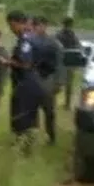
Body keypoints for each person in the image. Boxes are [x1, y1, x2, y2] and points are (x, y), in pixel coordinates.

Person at [2, 11, 46, 152]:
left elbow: (26, 64)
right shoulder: (32, 38)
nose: (11, 29)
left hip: (26, 83)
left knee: (22, 116)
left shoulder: (26, 40)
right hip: (30, 82)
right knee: (28, 116)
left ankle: (24, 148)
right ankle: (25, 146)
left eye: (12, 25)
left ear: (18, 23)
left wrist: (8, 62)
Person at [31, 16, 63, 145]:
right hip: (33, 78)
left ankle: (51, 136)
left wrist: (59, 82)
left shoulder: (54, 43)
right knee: (32, 110)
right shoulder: (30, 42)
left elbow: (60, 63)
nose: (40, 27)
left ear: (46, 26)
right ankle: (31, 136)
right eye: (37, 25)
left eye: (42, 24)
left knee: (49, 111)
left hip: (48, 79)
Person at [55, 17, 82, 109]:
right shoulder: (73, 35)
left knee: (58, 82)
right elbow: (78, 46)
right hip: (70, 61)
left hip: (61, 61)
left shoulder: (59, 34)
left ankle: (54, 102)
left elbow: (55, 46)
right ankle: (67, 104)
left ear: (63, 24)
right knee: (68, 84)